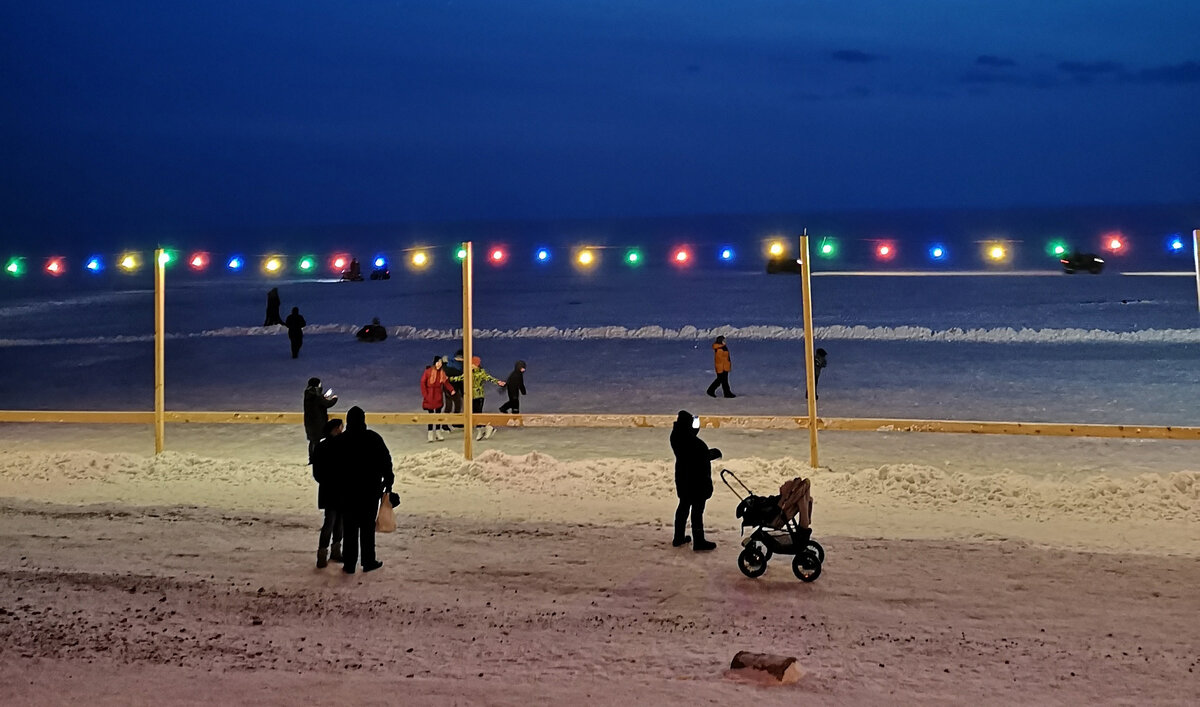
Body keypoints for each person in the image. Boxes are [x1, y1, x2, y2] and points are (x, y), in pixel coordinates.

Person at [334, 406, 393, 574]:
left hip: (347, 492)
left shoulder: (341, 441)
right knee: (367, 528)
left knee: (349, 528)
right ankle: (368, 560)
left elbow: (334, 467)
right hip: (370, 490)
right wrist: (388, 481)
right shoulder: (373, 438)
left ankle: (349, 563)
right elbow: (385, 460)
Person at [669, 410, 721, 552]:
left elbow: (690, 449)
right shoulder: (691, 441)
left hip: (683, 478)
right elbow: (699, 456)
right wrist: (712, 453)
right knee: (697, 511)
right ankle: (699, 541)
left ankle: (678, 537)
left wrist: (694, 431)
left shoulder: (677, 436)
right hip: (696, 480)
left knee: (683, 507)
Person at [312, 418, 344, 568]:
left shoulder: (320, 447)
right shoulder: (343, 446)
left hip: (328, 490)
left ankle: (324, 553)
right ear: (336, 429)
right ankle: (332, 551)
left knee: (331, 522)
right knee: (336, 522)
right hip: (340, 490)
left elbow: (317, 473)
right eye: (341, 427)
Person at [450, 356, 504, 441]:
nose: (470, 365)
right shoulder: (469, 372)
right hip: (471, 396)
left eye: (472, 364)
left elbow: (489, 378)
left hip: (479, 396)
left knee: (477, 413)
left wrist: (498, 382)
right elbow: (461, 377)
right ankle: (483, 429)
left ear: (476, 365)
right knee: (473, 414)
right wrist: (450, 379)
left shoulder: (481, 373)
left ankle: (486, 428)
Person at [303, 377, 338, 463]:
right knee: (320, 441)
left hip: (309, 422)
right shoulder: (317, 396)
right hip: (318, 423)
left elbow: (319, 402)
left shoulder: (308, 394)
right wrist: (334, 398)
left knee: (313, 441)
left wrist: (323, 397)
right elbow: (327, 404)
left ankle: (312, 459)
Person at [420, 356, 454, 442]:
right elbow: (423, 382)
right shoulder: (428, 372)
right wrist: (425, 395)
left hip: (438, 395)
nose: (439, 364)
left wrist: (451, 390)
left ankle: (438, 432)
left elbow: (446, 382)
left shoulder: (442, 373)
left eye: (440, 363)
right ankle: (430, 432)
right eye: (438, 362)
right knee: (431, 416)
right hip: (430, 396)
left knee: (438, 415)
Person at [443, 350, 464, 431]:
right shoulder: (451, 366)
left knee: (455, 404)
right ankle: (447, 423)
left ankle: (454, 422)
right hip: (449, 387)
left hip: (453, 387)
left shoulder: (456, 364)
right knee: (451, 405)